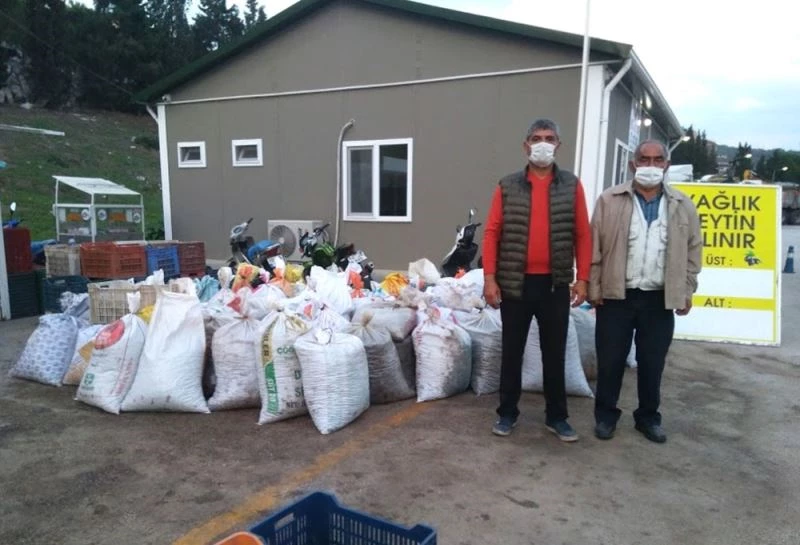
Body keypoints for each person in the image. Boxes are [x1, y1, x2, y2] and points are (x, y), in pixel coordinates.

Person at [482, 118, 592, 442]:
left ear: (558, 145)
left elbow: (582, 235)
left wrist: (583, 279)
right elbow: (492, 233)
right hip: (515, 283)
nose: (542, 143)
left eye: (549, 138)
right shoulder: (507, 185)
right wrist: (490, 278)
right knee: (512, 352)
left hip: (554, 285)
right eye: (536, 138)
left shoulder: (571, 186)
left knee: (554, 354)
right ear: (525, 145)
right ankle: (507, 413)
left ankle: (557, 417)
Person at [589, 139, 702, 443]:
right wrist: (594, 287)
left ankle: (648, 418)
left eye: (657, 160)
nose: (650, 166)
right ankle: (605, 416)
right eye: (644, 159)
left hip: (659, 299)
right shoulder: (610, 200)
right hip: (616, 296)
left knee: (652, 363)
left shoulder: (682, 205)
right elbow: (594, 247)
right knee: (610, 360)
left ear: (666, 165)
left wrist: (686, 289)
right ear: (632, 164)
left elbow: (693, 250)